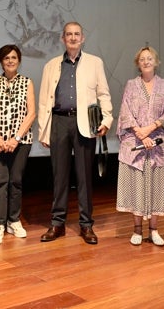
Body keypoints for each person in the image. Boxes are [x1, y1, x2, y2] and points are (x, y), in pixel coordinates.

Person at [38, 21, 113, 245]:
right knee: (59, 177)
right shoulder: (51, 65)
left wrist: (107, 119)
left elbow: (104, 94)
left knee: (84, 178)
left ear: (83, 38)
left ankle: (86, 225)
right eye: (68, 34)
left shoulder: (95, 63)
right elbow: (44, 101)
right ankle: (57, 223)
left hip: (84, 125)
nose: (72, 38)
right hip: (59, 123)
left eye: (76, 34)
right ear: (63, 38)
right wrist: (44, 131)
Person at [116, 46, 164, 246]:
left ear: (156, 61)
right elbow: (125, 111)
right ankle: (137, 230)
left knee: (156, 186)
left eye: (149, 58)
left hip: (158, 143)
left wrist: (151, 128)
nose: (146, 61)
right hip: (135, 143)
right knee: (137, 184)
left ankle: (154, 230)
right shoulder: (130, 85)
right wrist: (140, 133)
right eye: (142, 59)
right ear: (138, 63)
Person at [0, 44, 36, 245]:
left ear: (19, 60)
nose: (10, 61)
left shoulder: (27, 82)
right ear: (1, 61)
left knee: (15, 181)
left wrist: (16, 138)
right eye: (6, 58)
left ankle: (13, 221)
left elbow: (31, 113)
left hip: (20, 142)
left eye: (13, 57)